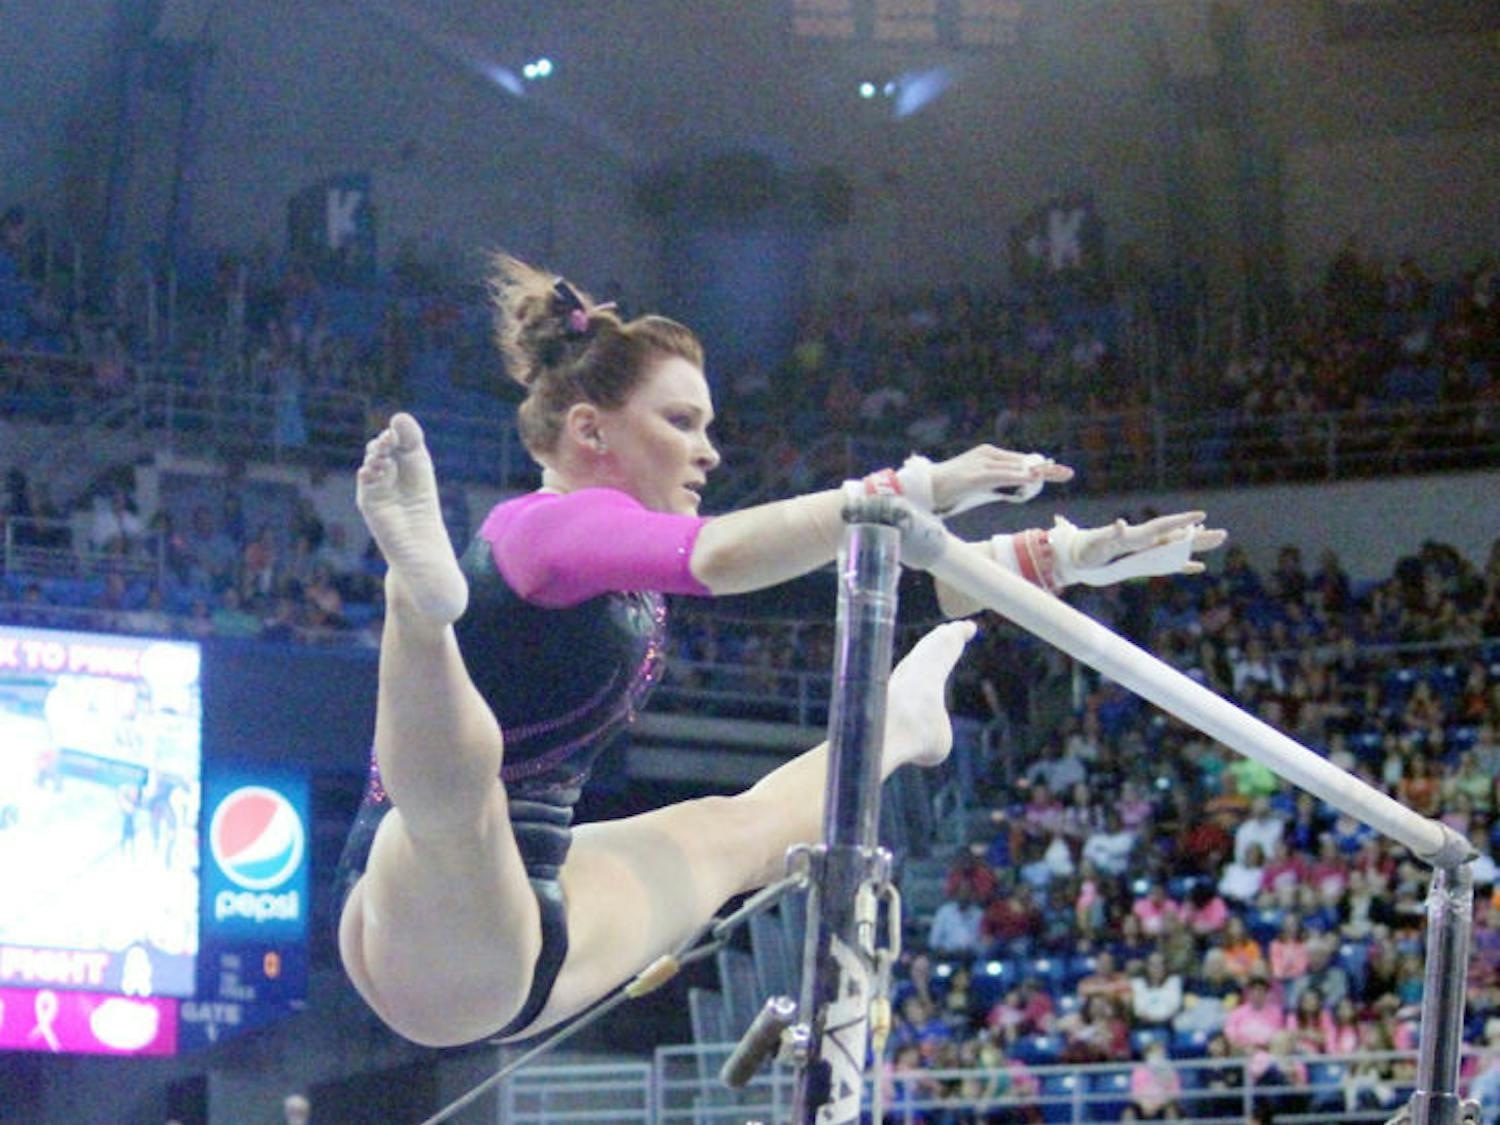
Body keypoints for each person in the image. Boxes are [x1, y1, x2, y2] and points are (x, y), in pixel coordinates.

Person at [335, 255, 1224, 1047]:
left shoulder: (632, 566)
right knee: (460, 802)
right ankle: (417, 599)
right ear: (589, 430)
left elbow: (884, 580)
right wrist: (910, 487)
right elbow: (725, 555)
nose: (708, 450)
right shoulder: (544, 528)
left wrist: (1067, 556)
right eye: (681, 421)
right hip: (425, 914)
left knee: (740, 831)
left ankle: (902, 726)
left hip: (534, 938)